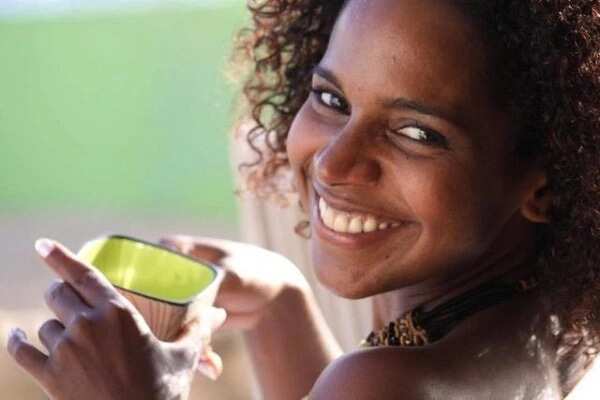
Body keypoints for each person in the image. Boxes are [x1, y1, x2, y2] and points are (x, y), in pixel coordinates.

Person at [6, 0, 600, 398]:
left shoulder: (389, 381)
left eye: (418, 133)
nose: (335, 162)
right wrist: (283, 303)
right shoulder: (540, 324)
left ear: (545, 180)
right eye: (331, 99)